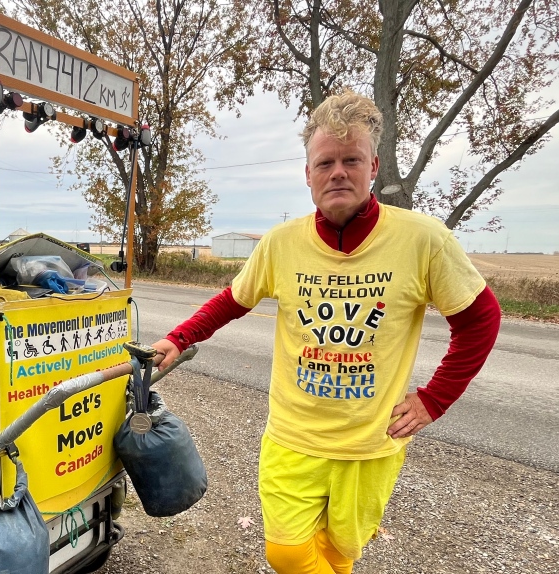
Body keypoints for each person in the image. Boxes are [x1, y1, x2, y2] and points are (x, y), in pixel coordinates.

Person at [151, 90, 501, 574]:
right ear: (309, 174)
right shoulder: (281, 243)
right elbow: (233, 300)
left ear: (373, 165)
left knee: (339, 553)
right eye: (325, 162)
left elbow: (480, 319)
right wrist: (179, 338)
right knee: (288, 554)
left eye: (351, 159)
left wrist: (434, 399)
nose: (338, 171)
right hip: (292, 436)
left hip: (370, 444)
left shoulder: (424, 240)